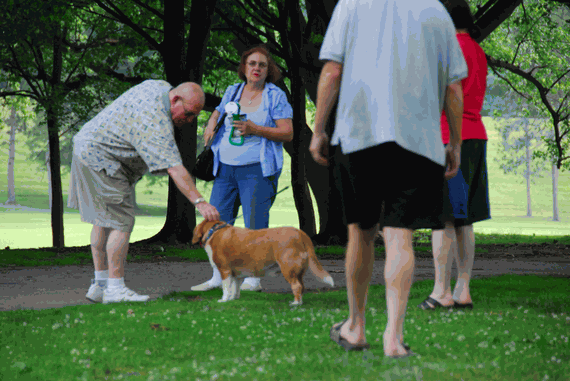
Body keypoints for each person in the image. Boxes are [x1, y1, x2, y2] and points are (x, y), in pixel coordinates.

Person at [310, 0, 467, 357]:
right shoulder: (437, 12)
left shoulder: (351, 5)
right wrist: (454, 143)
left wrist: (319, 129)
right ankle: (393, 340)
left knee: (360, 232)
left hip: (359, 134)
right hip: (418, 141)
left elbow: (333, 72)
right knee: (401, 237)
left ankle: (355, 327)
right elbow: (454, 89)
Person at [68, 80, 220, 304]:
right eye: (187, 114)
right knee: (122, 222)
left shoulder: (159, 87)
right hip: (103, 159)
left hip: (86, 148)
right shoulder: (155, 122)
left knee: (103, 220)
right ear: (174, 100)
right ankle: (115, 289)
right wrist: (200, 202)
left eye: (194, 116)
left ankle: (100, 286)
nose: (188, 121)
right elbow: (175, 169)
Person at [191, 45, 293, 292]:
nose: (256, 68)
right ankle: (219, 277)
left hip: (257, 168)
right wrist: (210, 124)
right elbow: (217, 113)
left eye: (262, 65)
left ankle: (253, 280)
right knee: (216, 222)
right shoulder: (233, 90)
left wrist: (255, 129)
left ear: (269, 70)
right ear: (244, 68)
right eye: (252, 64)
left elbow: (287, 132)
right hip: (225, 168)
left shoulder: (275, 96)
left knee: (255, 226)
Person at [418, 0, 491, 311]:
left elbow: (446, 95)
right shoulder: (477, 50)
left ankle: (441, 291)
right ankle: (462, 288)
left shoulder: (447, 49)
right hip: (477, 136)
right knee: (465, 219)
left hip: (450, 137)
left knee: (443, 217)